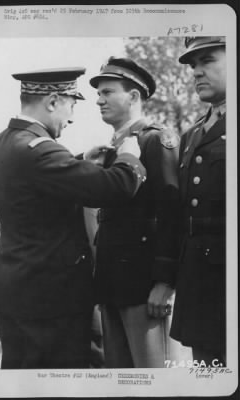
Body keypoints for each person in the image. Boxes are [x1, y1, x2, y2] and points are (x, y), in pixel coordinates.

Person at [0, 66, 146, 369]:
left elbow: (36, 186)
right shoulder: (40, 150)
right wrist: (129, 155)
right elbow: (115, 186)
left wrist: (81, 160)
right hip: (50, 299)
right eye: (72, 104)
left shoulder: (2, 142)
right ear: (53, 101)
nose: (71, 117)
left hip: (17, 290)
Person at [87, 56, 190, 368]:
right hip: (113, 285)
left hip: (145, 288)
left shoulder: (157, 139)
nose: (98, 99)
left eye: (107, 92)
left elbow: (172, 213)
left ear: (133, 97)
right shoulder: (111, 150)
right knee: (121, 383)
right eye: (99, 93)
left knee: (156, 381)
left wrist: (164, 282)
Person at [170, 37, 226, 366]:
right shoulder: (194, 133)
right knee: (206, 373)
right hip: (198, 277)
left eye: (208, 60)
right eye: (193, 65)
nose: (196, 72)